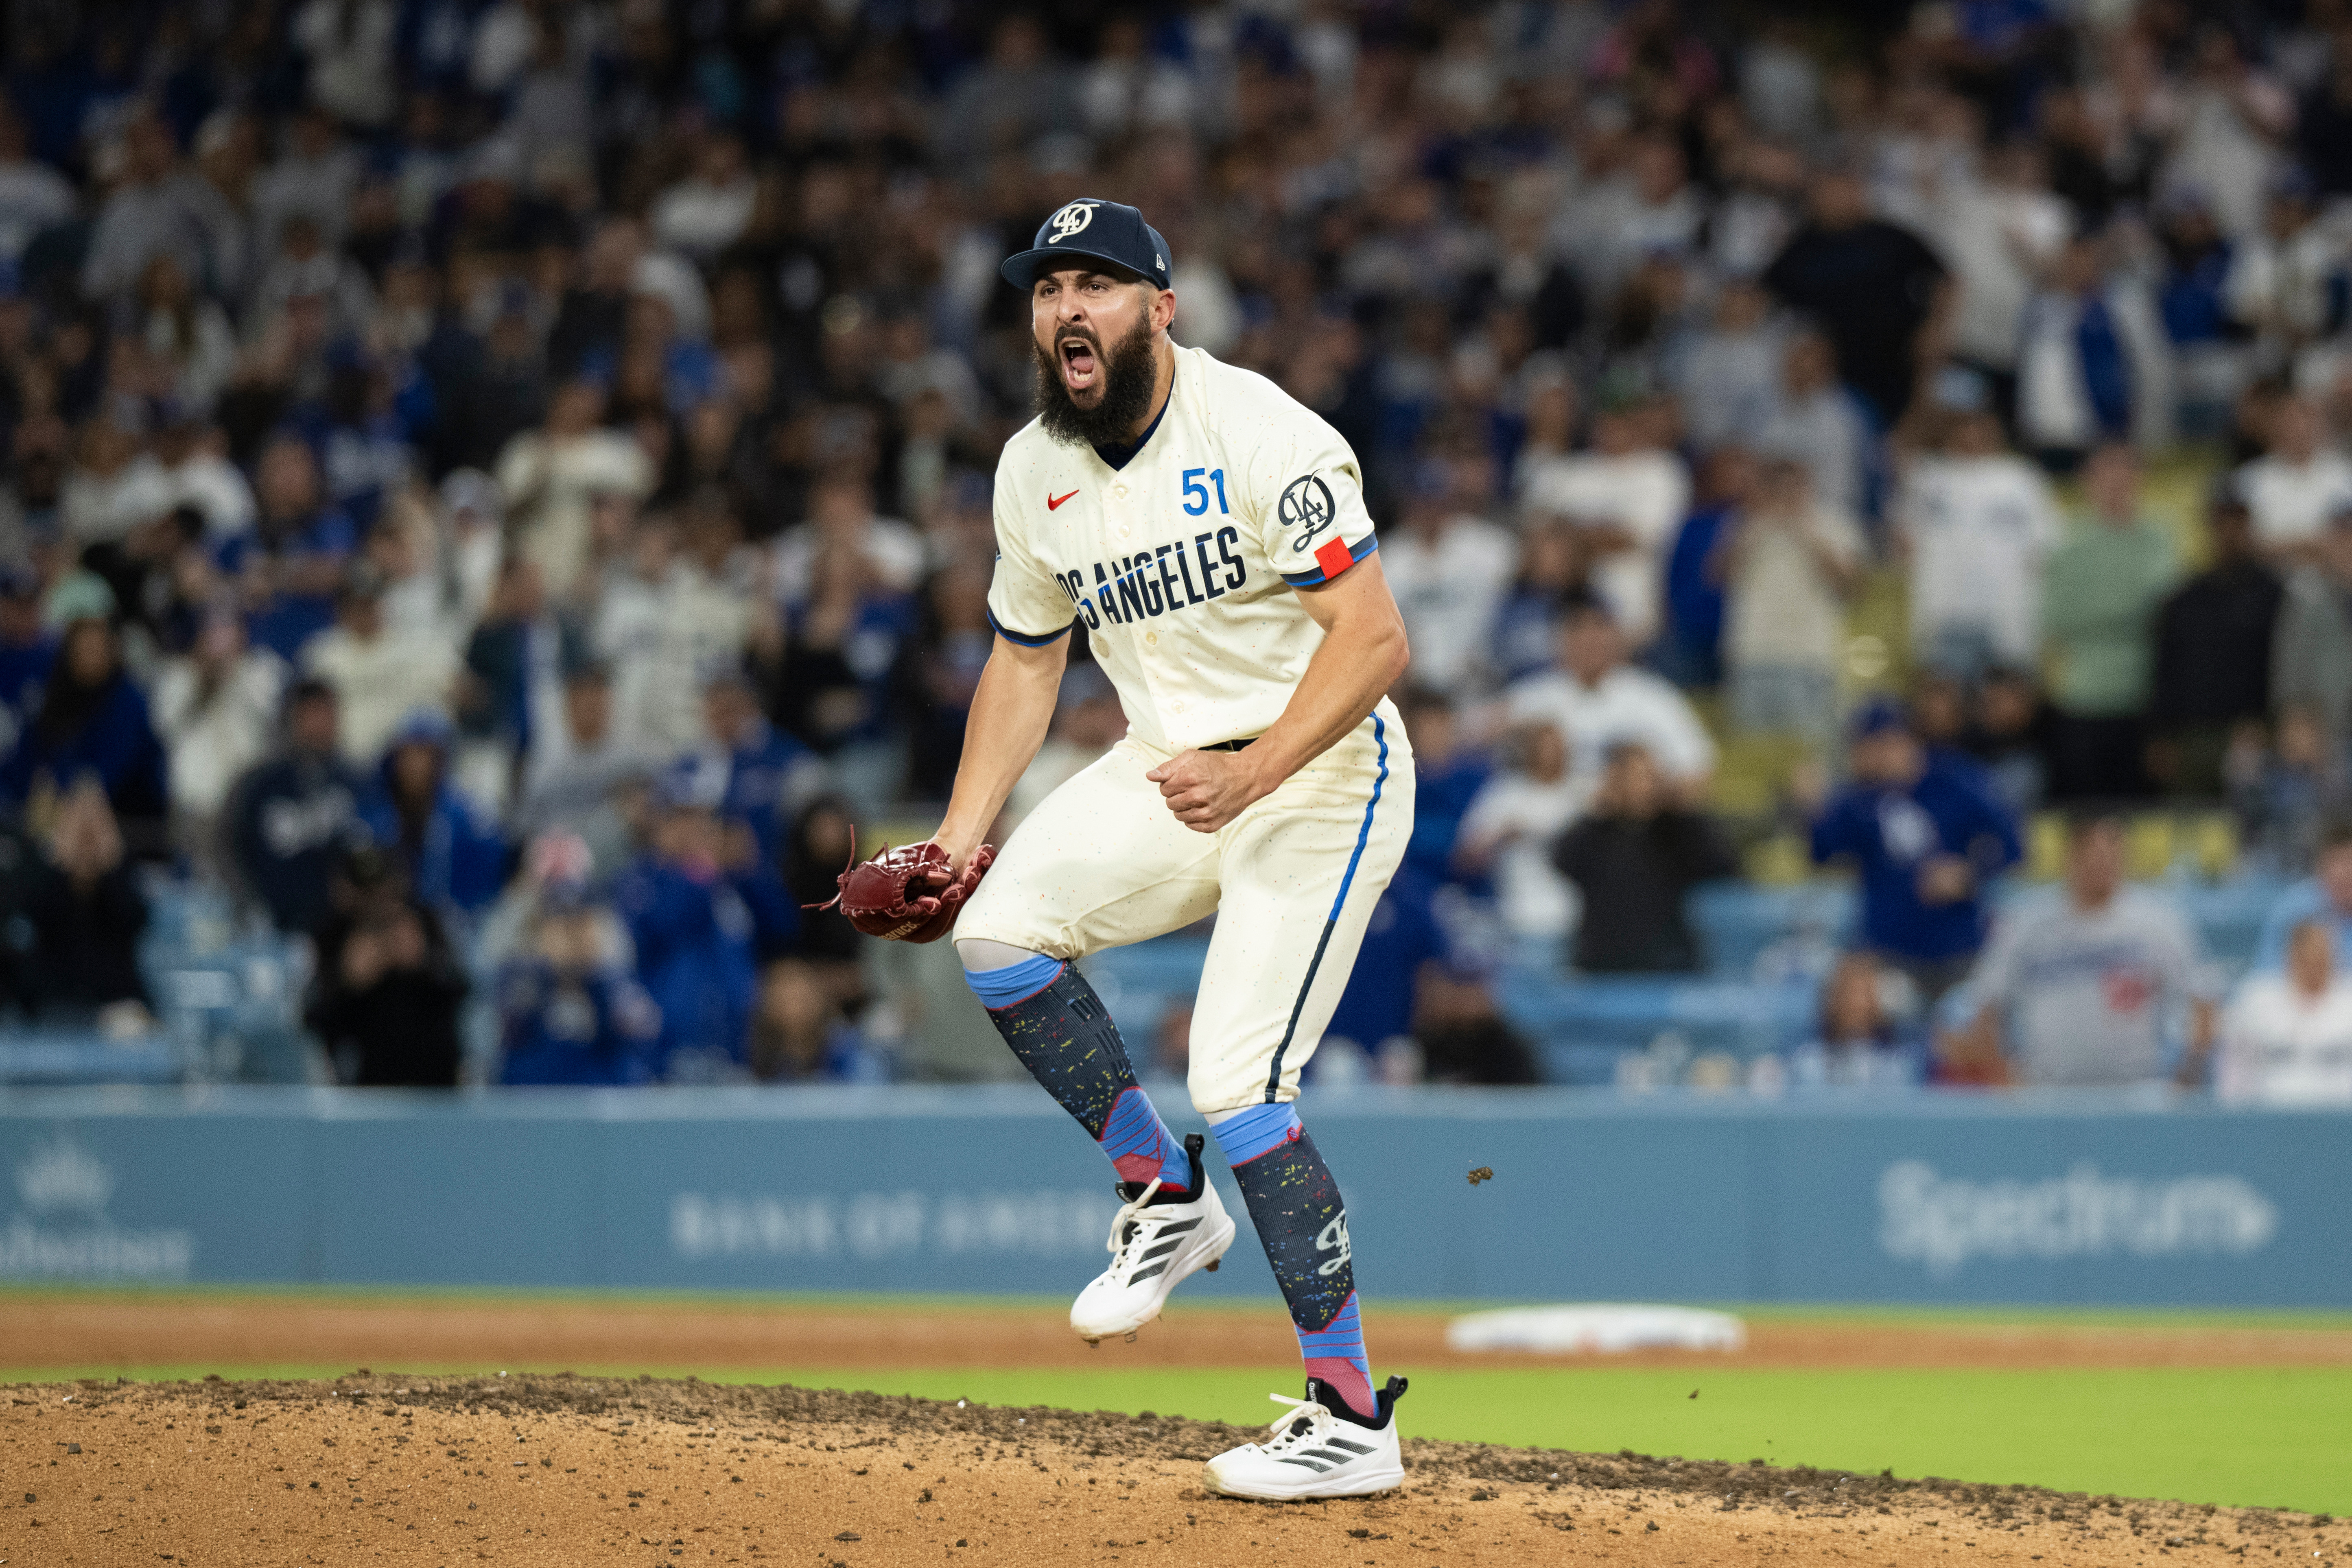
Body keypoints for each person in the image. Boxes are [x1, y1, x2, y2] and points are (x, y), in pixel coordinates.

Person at [889, 200, 1414, 1498]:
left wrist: (1257, 770)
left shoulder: (1261, 431)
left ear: (1161, 309)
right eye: (1047, 288)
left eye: (1098, 284)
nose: (1068, 307)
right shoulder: (1033, 469)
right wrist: (957, 838)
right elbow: (1025, 661)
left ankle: (1351, 1417)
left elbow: (1373, 638)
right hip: (1171, 764)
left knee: (1238, 1081)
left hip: (1321, 767)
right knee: (995, 933)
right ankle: (1164, 1196)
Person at [1945, 812, 2216, 1087]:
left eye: (2112, 851)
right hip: (2047, 1094)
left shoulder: (2159, 923)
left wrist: (2187, 1078)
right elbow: (1987, 1003)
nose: (2103, 863)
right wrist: (2002, 1076)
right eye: (2093, 853)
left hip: (2137, 1090)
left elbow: (2203, 1000)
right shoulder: (2026, 924)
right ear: (2072, 856)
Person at [1810, 699, 2022, 1000]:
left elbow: (2011, 843)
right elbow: (1822, 851)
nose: (1866, 758)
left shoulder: (1955, 780)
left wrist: (1969, 873)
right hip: (1889, 953)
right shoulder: (1858, 798)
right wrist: (1814, 809)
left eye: (1875, 746)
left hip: (1958, 950)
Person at [2039, 442, 2179, 799]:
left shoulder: (2159, 539)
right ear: (2088, 480)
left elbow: (2166, 615)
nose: (2116, 481)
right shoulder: (2067, 543)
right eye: (2106, 471)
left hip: (2144, 699)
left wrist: (2101, 612)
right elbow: (2060, 619)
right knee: (2084, 809)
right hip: (2082, 699)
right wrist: (2131, 611)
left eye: (2125, 470)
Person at [1550, 740, 1738, 973]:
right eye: (1629, 778)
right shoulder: (1597, 833)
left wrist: (1687, 812)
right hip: (1603, 966)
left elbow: (1723, 866)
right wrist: (1597, 812)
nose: (1640, 787)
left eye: (1648, 778)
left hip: (1667, 965)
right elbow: (1563, 861)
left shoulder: (1674, 831)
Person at [1503, 600, 1715, 800]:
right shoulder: (1533, 695)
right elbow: (1487, 745)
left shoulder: (1652, 695)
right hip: (1551, 815)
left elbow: (1697, 768)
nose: (1589, 641)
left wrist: (1639, 795)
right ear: (1560, 639)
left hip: (1625, 819)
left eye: (1598, 630)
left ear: (1616, 637)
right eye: (1578, 631)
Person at [1720, 454, 1863, 751]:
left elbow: (1851, 587)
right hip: (1752, 655)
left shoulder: (1832, 523)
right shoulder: (1747, 524)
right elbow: (1719, 576)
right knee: (1752, 753)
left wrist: (1806, 531)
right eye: (1778, 486)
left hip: (1809, 656)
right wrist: (1756, 527)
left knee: (1810, 752)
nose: (1787, 495)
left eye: (1794, 487)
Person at [2149, 485, 2283, 798]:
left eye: (2238, 523)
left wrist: (2269, 726)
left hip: (2252, 735)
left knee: (2252, 817)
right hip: (2192, 738)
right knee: (2189, 819)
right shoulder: (2185, 600)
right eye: (2222, 523)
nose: (2230, 533)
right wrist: (2159, 736)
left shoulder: (2274, 597)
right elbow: (2166, 670)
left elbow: (2284, 670)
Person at [303, 842, 468, 1086]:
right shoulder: (332, 937)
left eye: (383, 888)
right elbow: (314, 1020)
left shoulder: (427, 924)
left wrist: (426, 967)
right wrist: (350, 984)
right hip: (360, 1085)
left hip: (433, 1083)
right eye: (367, 891)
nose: (377, 901)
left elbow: (462, 993)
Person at [0, 615, 168, 848]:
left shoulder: (129, 700)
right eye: (84, 650)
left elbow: (112, 772)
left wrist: (59, 789)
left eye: (98, 650)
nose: (91, 659)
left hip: (128, 819)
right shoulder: (56, 697)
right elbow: (25, 762)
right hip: (55, 817)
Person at [224, 678, 369, 933]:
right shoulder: (259, 785)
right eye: (310, 714)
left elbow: (369, 852)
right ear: (291, 720)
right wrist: (250, 903)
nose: (319, 724)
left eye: (326, 714)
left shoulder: (357, 783)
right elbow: (232, 849)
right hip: (272, 926)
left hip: (343, 931)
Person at [496, 878, 663, 1087]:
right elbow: (503, 1043)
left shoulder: (615, 985)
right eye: (562, 925)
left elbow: (643, 1034)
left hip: (604, 1099)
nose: (574, 938)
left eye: (582, 924)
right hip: (536, 1098)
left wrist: (606, 993)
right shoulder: (523, 986)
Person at [18, 780, 151, 1029]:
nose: (87, 836)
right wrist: (61, 864)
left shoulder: (122, 873)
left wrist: (109, 864)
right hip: (56, 1003)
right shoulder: (46, 876)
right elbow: (32, 920)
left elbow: (138, 922)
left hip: (116, 1002)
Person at [355, 708, 509, 917]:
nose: (416, 765)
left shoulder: (467, 821)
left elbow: (483, 894)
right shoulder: (372, 819)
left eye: (426, 754)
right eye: (409, 753)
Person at [1455, 722, 1585, 942]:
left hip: (1571, 916)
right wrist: (1502, 836)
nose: (1549, 755)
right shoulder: (1505, 793)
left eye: (1556, 748)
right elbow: (1465, 857)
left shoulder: (1580, 795)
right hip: (1516, 916)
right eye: (1542, 747)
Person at [2216, 917, 2352, 1104]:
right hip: (2270, 1114)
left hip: (2341, 1115)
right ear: (2291, 954)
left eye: (2321, 952)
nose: (2314, 961)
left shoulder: (2347, 999)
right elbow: (2235, 1070)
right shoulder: (2256, 1000)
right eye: (2306, 953)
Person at [1786, 951, 1924, 1090]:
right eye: (1847, 993)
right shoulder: (1808, 1063)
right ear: (1831, 1000)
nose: (1856, 1004)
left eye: (1865, 994)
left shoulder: (1896, 1066)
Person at [2252, 820, 2352, 972]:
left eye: (2350, 863)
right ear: (2321, 866)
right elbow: (2267, 974)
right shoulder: (2292, 912)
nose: (2346, 873)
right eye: (2338, 864)